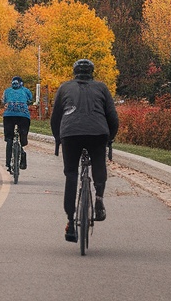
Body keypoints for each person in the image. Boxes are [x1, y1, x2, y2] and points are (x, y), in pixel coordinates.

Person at [51, 58, 118, 243]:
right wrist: (110, 138)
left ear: (74, 73)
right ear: (92, 72)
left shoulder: (65, 87)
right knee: (98, 163)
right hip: (98, 132)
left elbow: (56, 117)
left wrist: (58, 139)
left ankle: (70, 223)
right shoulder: (102, 87)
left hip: (70, 133)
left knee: (71, 174)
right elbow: (112, 116)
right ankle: (98, 199)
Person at [2, 76, 35, 171]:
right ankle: (22, 151)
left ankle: (8, 163)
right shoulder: (26, 90)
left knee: (9, 139)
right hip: (23, 116)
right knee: (23, 138)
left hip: (9, 116)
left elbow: (3, 101)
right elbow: (30, 100)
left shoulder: (7, 91)